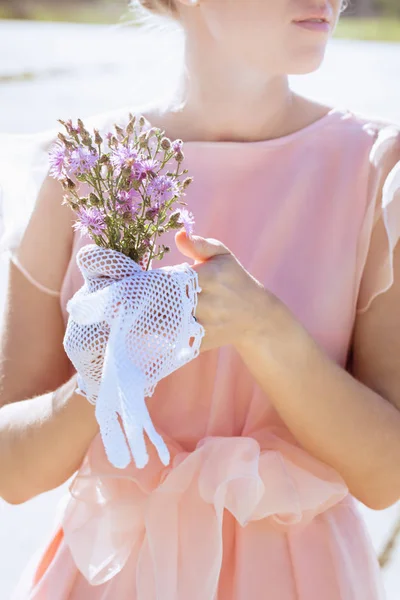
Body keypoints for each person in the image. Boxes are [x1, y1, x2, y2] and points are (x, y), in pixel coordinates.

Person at [0, 0, 400, 598]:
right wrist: (109, 377)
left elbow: (385, 476)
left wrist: (266, 329)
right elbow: (13, 470)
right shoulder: (81, 169)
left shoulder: (377, 171)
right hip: (106, 579)